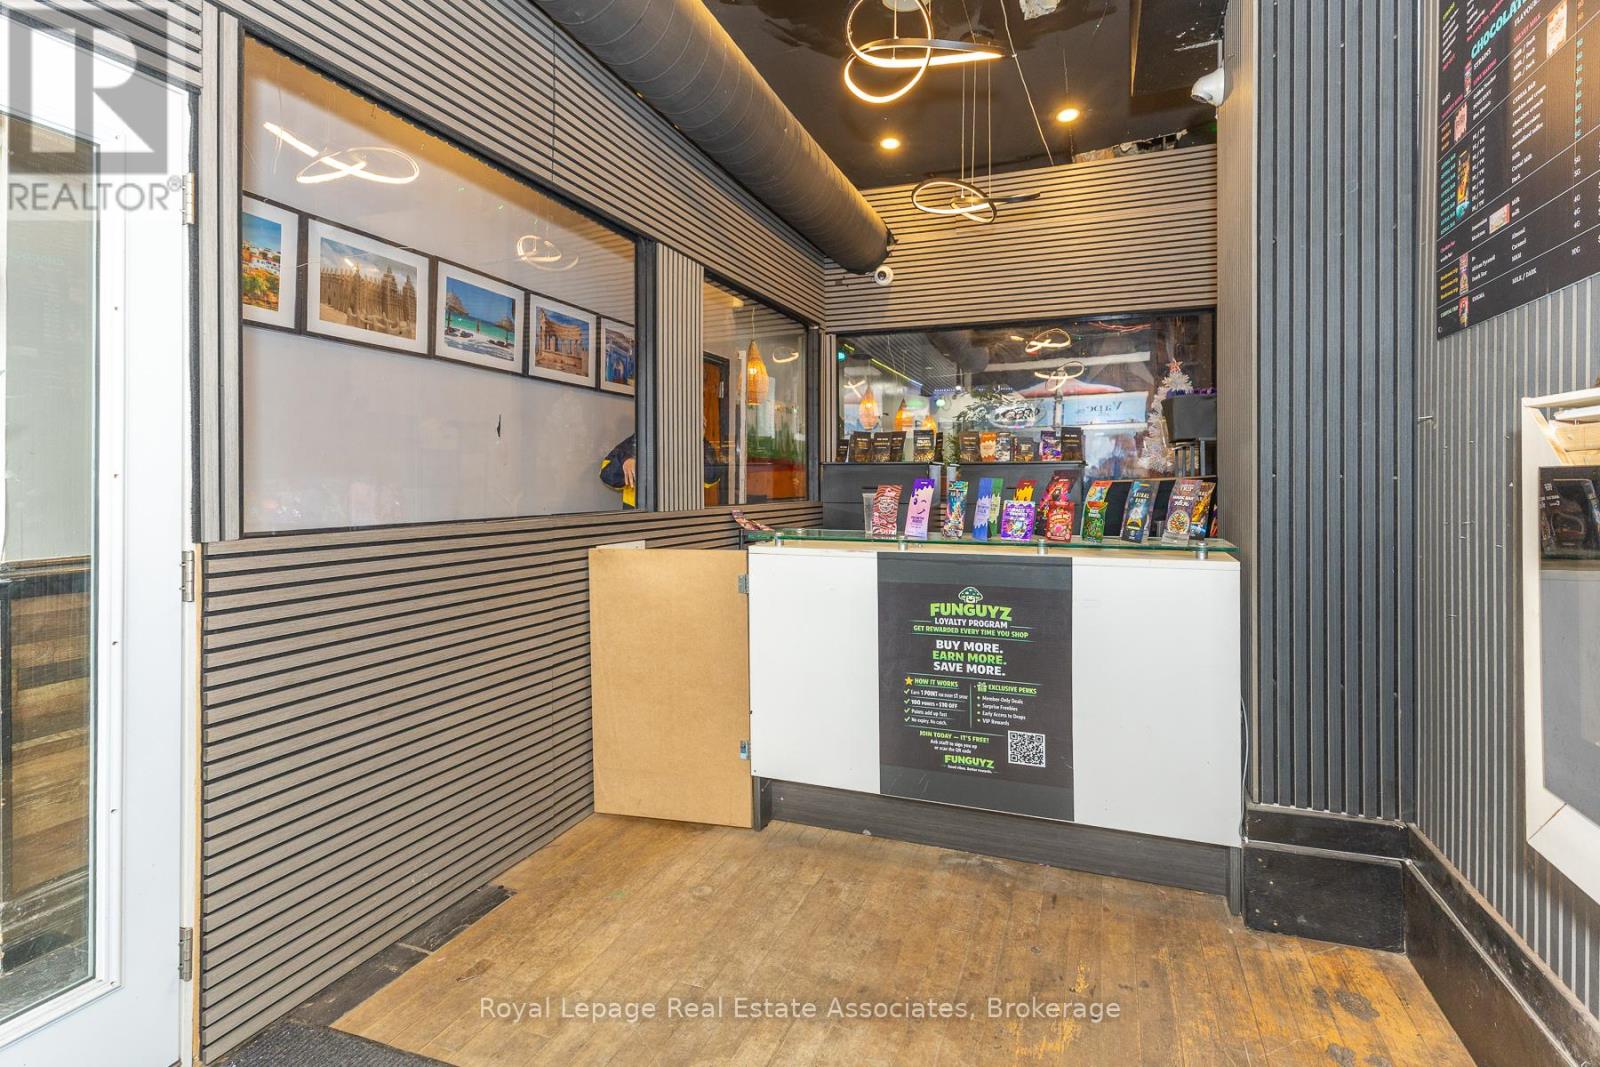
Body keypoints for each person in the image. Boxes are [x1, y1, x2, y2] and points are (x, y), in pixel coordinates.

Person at [600, 434, 726, 508]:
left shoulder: (696, 444)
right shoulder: (641, 437)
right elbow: (606, 475)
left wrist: (699, 440)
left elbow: (711, 478)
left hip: (680, 516)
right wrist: (624, 461)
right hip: (639, 517)